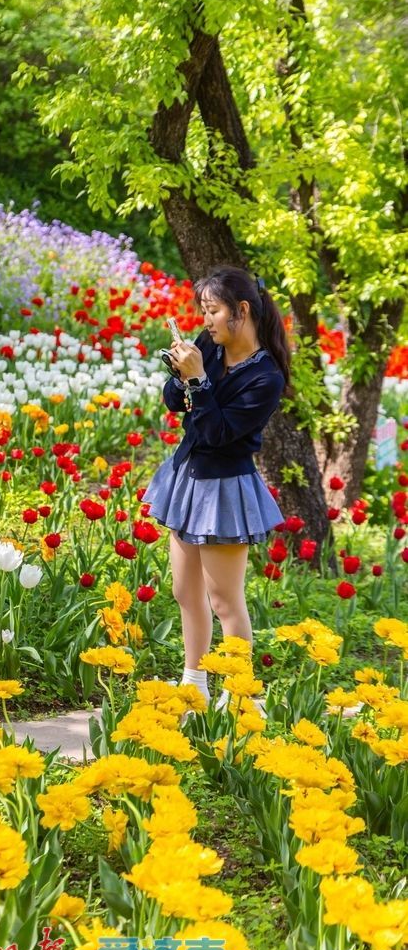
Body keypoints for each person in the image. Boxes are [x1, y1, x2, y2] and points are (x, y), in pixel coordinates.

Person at [143, 265, 290, 706]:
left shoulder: (266, 378)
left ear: (240, 311)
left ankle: (238, 692)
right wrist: (180, 372)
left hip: (225, 489)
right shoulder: (210, 343)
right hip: (188, 478)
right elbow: (175, 403)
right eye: (203, 312)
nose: (206, 321)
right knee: (184, 591)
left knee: (225, 600)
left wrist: (199, 379)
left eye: (213, 311)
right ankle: (195, 680)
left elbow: (218, 432)